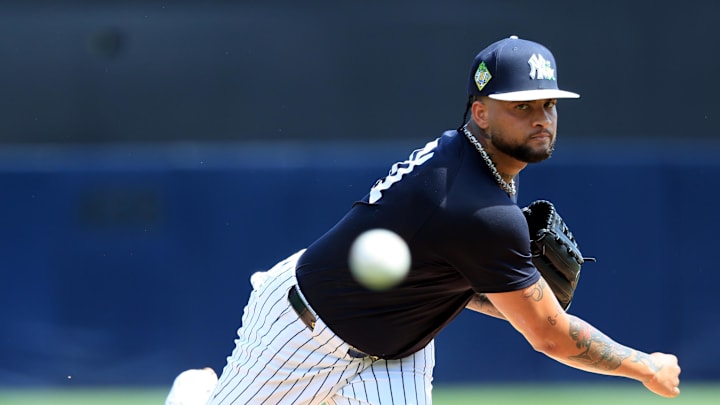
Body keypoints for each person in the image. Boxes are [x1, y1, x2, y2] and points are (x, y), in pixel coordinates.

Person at [166, 35, 681, 405]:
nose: (541, 117)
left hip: (397, 349)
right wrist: (646, 367)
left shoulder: (479, 160)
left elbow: (451, 276)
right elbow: (552, 338)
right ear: (480, 112)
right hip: (302, 334)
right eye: (521, 105)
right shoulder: (476, 205)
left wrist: (513, 295)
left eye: (548, 104)